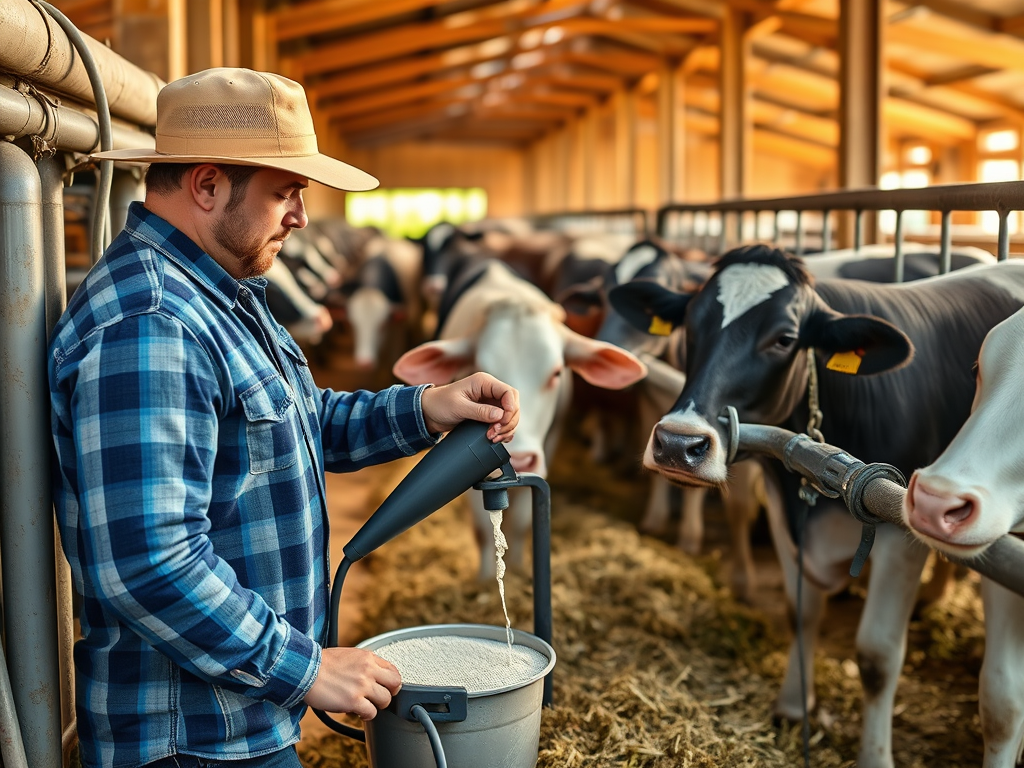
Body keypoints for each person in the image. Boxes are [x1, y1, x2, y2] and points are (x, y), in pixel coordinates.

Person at [49, 67, 520, 768]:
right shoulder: (153, 325)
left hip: (240, 717)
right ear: (207, 186)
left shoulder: (222, 292)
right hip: (192, 741)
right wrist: (306, 669)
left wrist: (425, 407)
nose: (301, 216)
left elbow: (295, 424)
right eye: (285, 192)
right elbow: (150, 561)